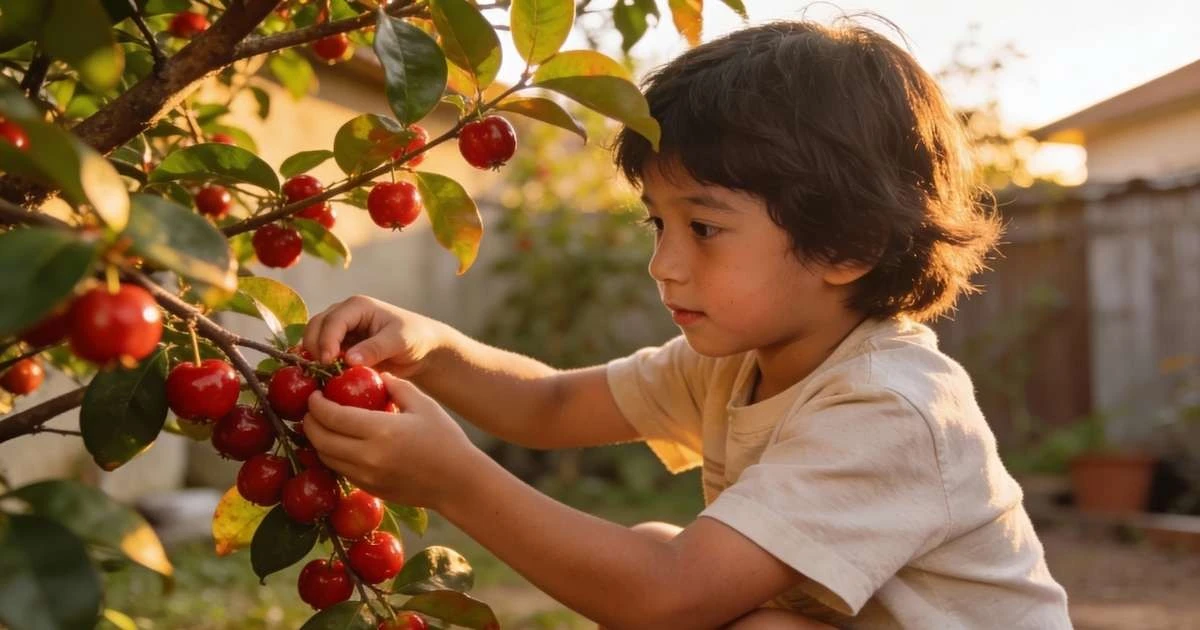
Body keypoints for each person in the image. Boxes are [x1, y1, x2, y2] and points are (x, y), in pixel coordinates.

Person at [301, 17, 1072, 629]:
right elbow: (553, 406)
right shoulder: (738, 358)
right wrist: (432, 349)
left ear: (848, 245)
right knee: (654, 549)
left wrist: (451, 479)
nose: (663, 264)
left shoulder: (891, 406)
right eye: (656, 224)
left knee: (686, 590)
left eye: (702, 227)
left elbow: (668, 597)